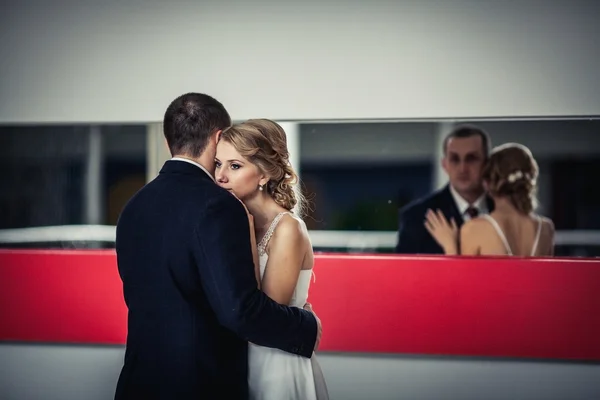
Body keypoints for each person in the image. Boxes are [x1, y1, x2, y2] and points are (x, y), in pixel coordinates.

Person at [114, 93, 321, 400]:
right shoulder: (219, 206)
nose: (223, 174)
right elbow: (240, 311)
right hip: (199, 382)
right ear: (218, 137)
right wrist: (308, 326)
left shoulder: (134, 206)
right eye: (224, 163)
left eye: (235, 165)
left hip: (140, 378)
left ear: (168, 136)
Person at [215, 119, 329, 400]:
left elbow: (265, 315)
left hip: (276, 362)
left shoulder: (287, 228)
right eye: (218, 163)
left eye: (235, 165)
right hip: (239, 362)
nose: (220, 176)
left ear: (264, 174)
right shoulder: (234, 222)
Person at [424, 143, 555, 256]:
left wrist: (450, 246)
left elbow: (461, 282)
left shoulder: (474, 229)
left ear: (487, 183)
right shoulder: (546, 229)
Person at [395, 125, 494, 254]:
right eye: (454, 159)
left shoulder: (506, 213)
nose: (462, 168)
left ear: (487, 164)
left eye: (471, 159)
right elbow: (403, 273)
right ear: (444, 165)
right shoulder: (417, 217)